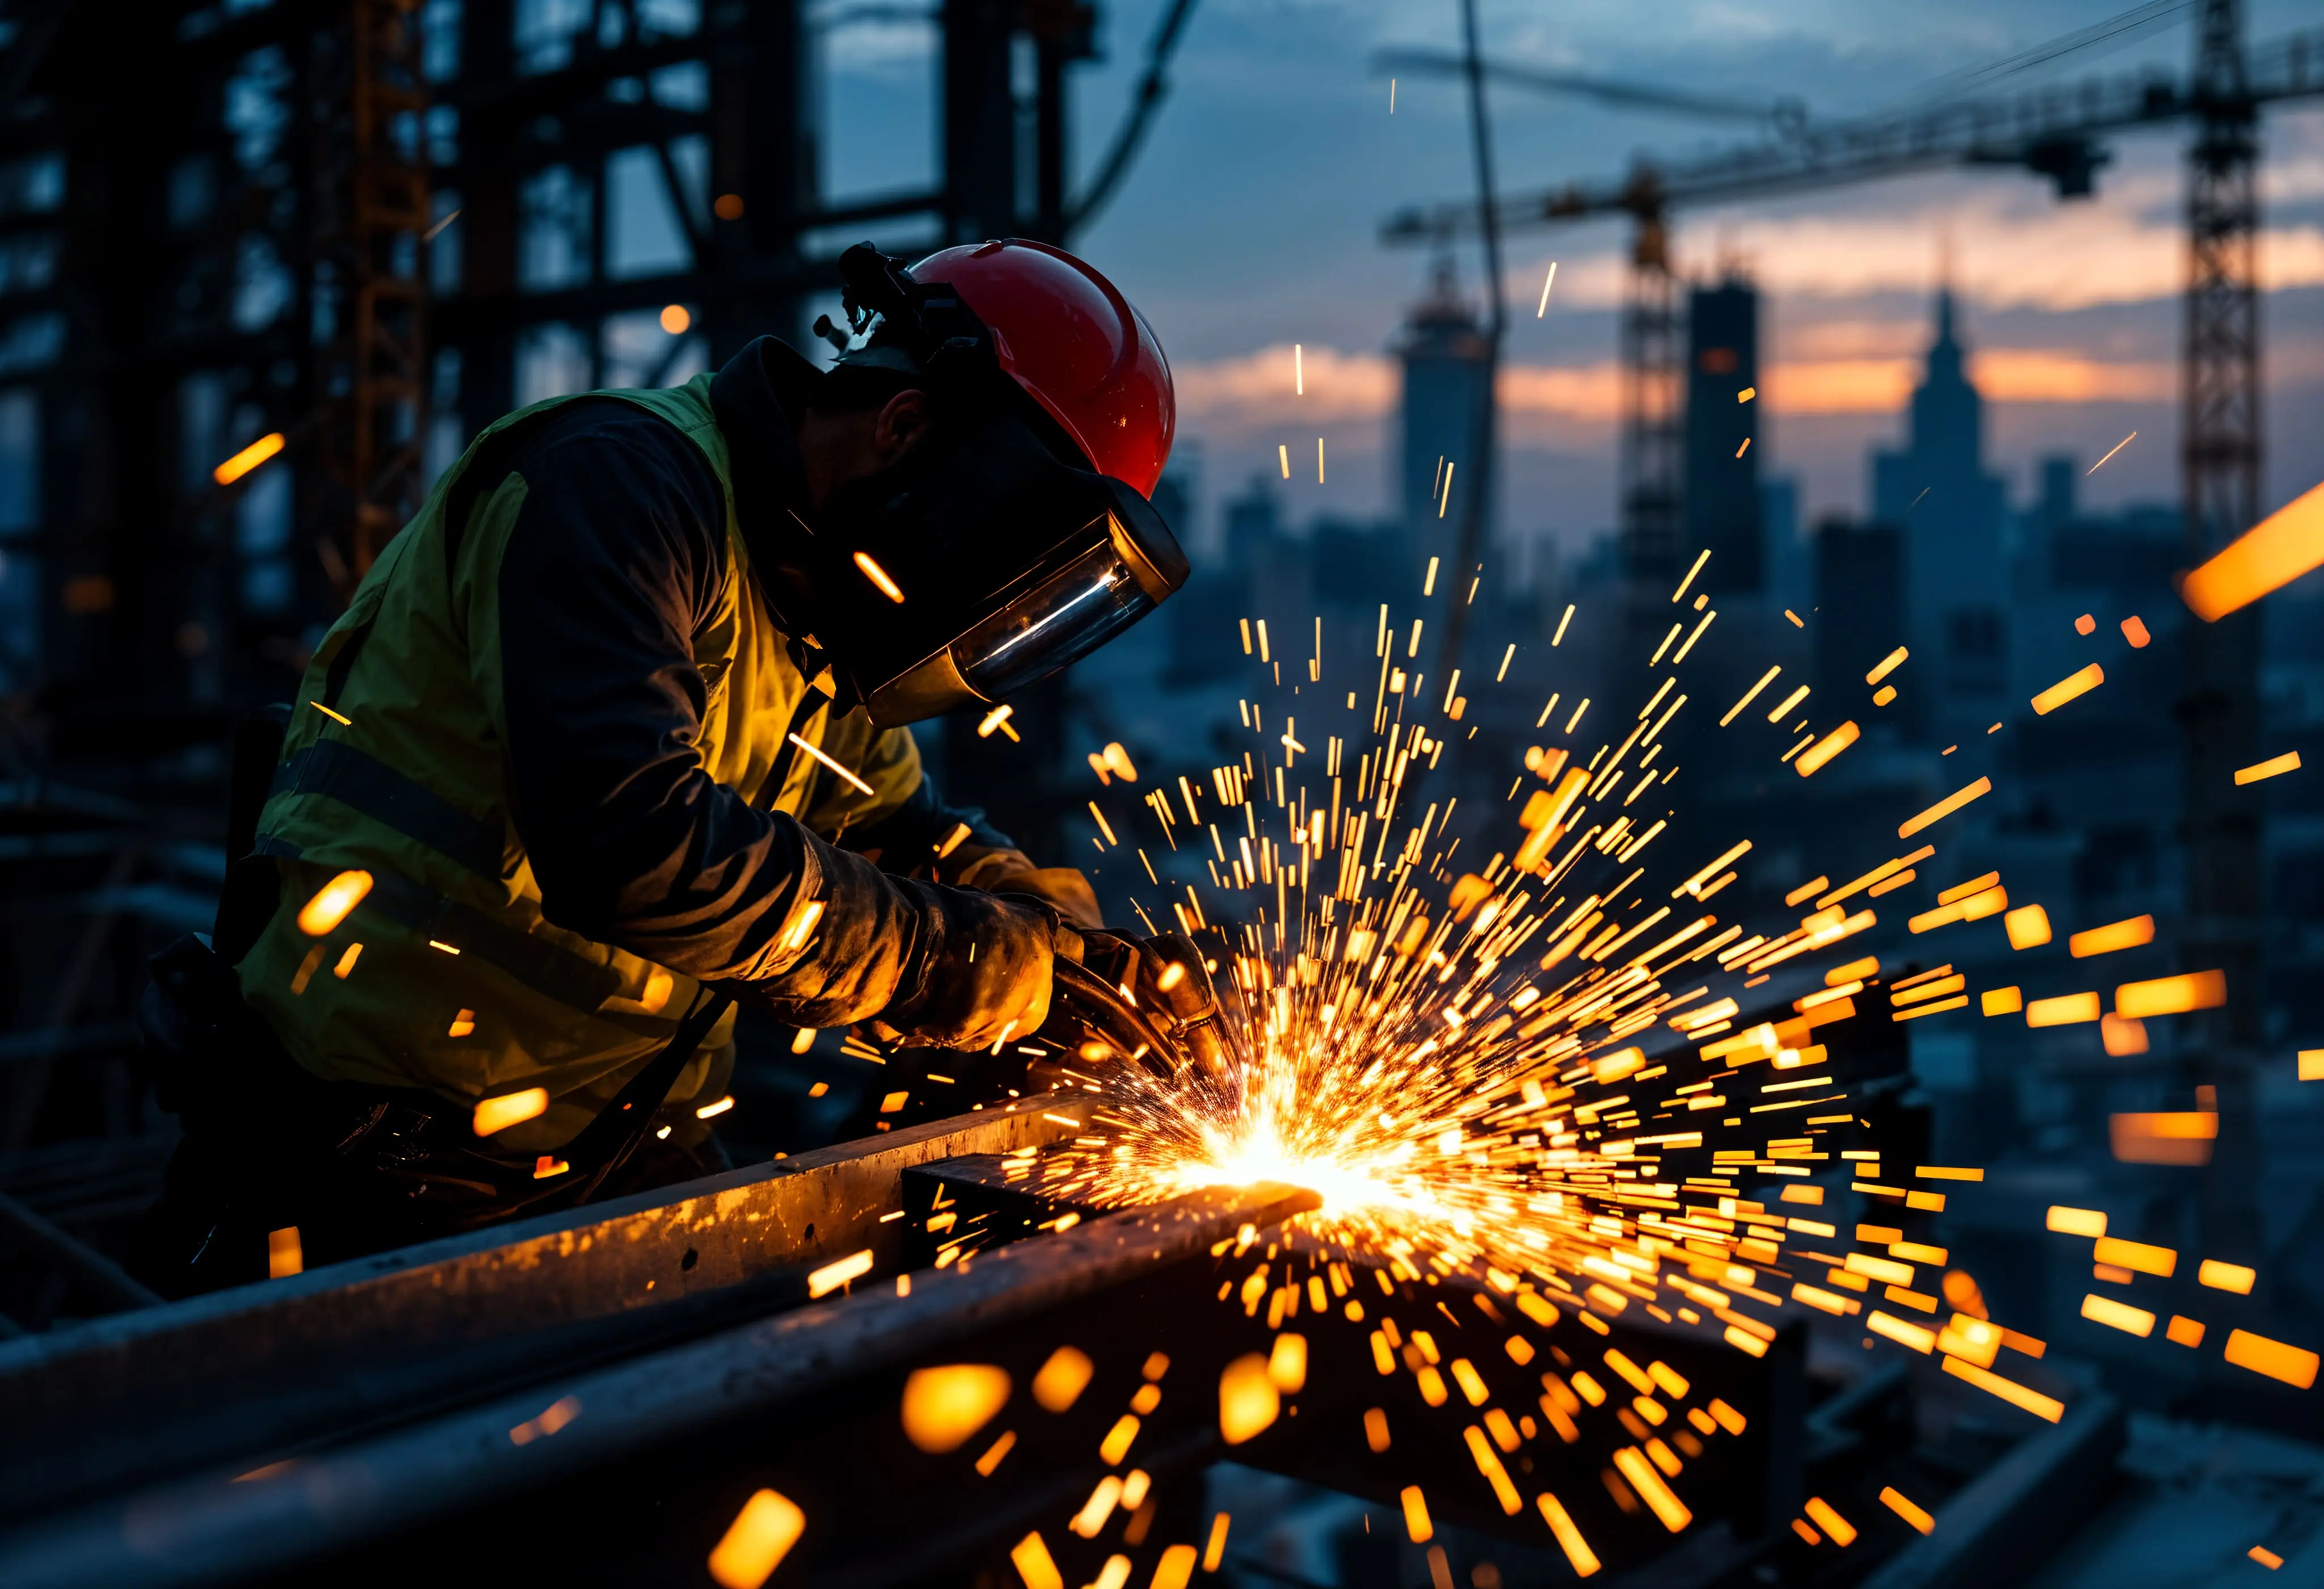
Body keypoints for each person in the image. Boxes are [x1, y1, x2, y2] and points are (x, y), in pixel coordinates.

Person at [132, 241, 1190, 1293]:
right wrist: (955, 967)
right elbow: (631, 838)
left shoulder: (815, 611)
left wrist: (1078, 957)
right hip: (361, 1159)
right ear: (903, 428)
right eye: (1005, 551)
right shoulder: (614, 489)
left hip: (615, 1154)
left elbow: (899, 828)